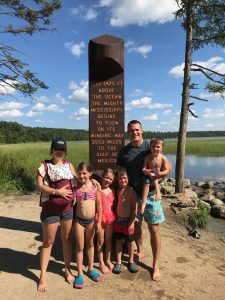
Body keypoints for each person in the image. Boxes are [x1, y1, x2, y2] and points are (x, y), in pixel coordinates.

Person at [117, 120, 172, 281]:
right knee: (137, 226)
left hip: (151, 195)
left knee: (154, 228)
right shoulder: (124, 152)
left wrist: (161, 175)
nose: (134, 133)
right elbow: (120, 172)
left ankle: (155, 265)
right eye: (131, 130)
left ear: (141, 130)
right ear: (128, 132)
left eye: (137, 130)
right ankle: (140, 250)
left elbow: (167, 166)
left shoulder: (151, 145)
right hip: (134, 196)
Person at [36, 137, 77, 292]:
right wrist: (57, 191)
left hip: (67, 209)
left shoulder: (69, 165)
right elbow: (40, 186)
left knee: (67, 239)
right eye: (56, 149)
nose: (59, 151)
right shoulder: (44, 165)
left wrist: (92, 181)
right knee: (48, 242)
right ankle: (43, 277)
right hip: (50, 210)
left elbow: (78, 180)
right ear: (52, 150)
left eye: (62, 149)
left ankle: (67, 270)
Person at [73, 162, 102, 289]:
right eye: (79, 173)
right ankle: (79, 273)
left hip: (91, 221)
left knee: (90, 244)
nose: (81, 176)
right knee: (79, 247)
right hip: (79, 221)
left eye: (84, 173)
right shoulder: (75, 187)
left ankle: (90, 268)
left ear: (90, 173)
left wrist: (99, 221)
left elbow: (99, 205)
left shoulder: (95, 187)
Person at [112, 167, 138, 274]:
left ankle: (131, 260)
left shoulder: (131, 191)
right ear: (117, 180)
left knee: (130, 242)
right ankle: (118, 262)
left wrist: (132, 222)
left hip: (128, 221)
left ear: (129, 178)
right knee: (118, 241)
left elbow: (134, 209)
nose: (123, 180)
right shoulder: (116, 190)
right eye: (120, 178)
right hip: (118, 221)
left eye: (125, 178)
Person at [97, 168, 116, 274]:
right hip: (100, 217)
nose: (108, 180)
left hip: (110, 218)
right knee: (100, 241)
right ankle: (101, 263)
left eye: (110, 179)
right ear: (102, 177)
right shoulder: (97, 189)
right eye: (106, 178)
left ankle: (107, 260)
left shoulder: (112, 190)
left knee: (109, 240)